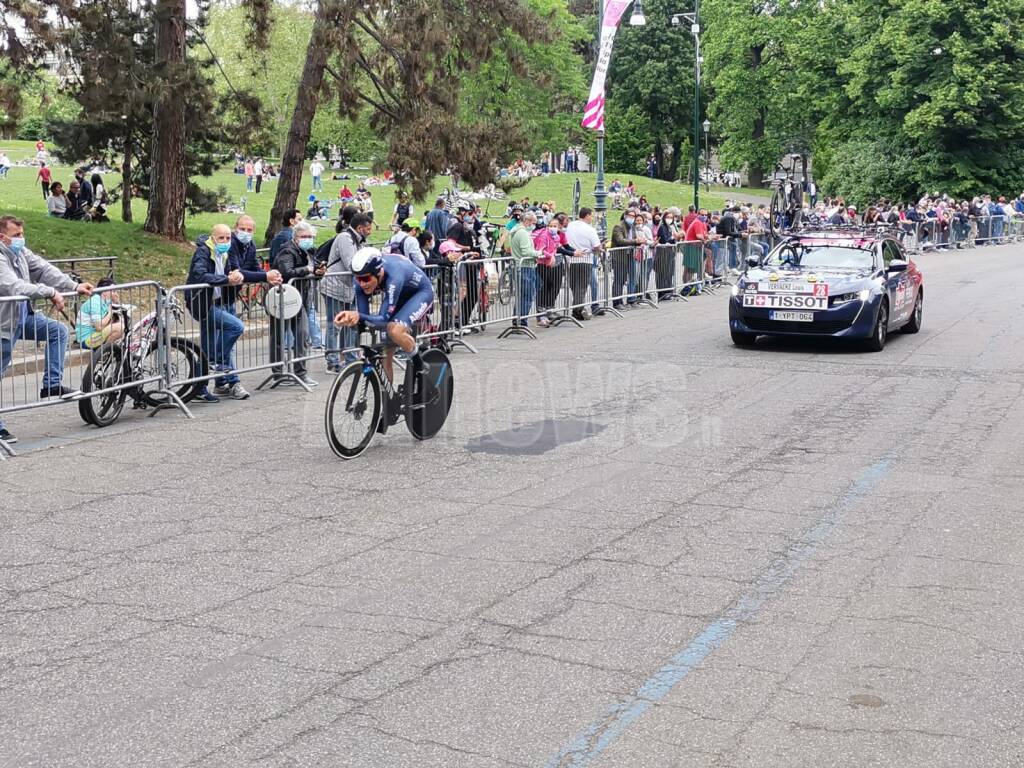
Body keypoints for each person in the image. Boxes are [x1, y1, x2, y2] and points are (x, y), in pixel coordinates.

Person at [0, 215, 94, 443]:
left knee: (57, 331)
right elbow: (14, 286)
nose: (22, 239)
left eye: (22, 234)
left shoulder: (20, 253)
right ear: (2, 238)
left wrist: (73, 286)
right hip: (3, 324)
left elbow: (44, 268)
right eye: (16, 235)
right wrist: (50, 292)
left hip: (23, 318)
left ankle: (51, 385)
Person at [333, 248, 435, 391]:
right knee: (384, 351)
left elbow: (383, 318)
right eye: (358, 279)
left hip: (420, 293)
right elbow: (364, 319)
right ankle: (388, 406)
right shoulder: (361, 281)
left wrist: (358, 316)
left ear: (379, 272)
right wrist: (353, 322)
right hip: (398, 296)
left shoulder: (394, 276)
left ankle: (420, 366)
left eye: (366, 279)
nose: (362, 284)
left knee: (395, 331)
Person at [186, 224, 254, 401]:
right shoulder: (203, 252)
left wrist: (236, 277)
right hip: (202, 304)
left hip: (218, 302)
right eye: (221, 238)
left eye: (228, 238)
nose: (225, 241)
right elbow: (200, 275)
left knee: (206, 350)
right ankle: (220, 362)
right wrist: (226, 279)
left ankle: (199, 389)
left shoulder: (225, 253)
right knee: (236, 326)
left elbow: (234, 271)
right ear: (213, 238)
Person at [269, 221, 323, 387]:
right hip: (283, 298)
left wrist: (318, 272)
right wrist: (307, 269)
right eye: (304, 236)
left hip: (300, 299)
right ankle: (278, 373)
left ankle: (301, 372)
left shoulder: (309, 251)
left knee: (302, 334)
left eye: (310, 236)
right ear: (296, 237)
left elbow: (312, 272)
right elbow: (287, 272)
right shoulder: (287, 250)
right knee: (278, 336)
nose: (308, 239)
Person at [322, 212, 372, 373]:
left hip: (349, 288)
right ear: (360, 228)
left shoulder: (357, 240)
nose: (370, 232)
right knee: (335, 325)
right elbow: (352, 263)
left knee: (352, 324)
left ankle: (351, 358)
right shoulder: (345, 238)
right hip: (335, 287)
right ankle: (332, 361)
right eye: (368, 229)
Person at [565, 207, 602, 320]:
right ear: (587, 216)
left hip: (571, 259)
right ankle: (578, 311)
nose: (591, 218)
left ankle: (577, 308)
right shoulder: (590, 229)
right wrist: (598, 250)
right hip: (585, 259)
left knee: (574, 285)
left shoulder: (571, 226)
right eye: (591, 215)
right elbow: (597, 246)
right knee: (581, 286)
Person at [75, 277, 124, 351]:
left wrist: (116, 302)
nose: (114, 293)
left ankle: (107, 351)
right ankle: (105, 352)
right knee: (119, 327)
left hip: (95, 335)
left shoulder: (105, 301)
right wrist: (110, 312)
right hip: (86, 339)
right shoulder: (95, 302)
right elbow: (99, 327)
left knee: (122, 324)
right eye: (112, 290)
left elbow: (116, 319)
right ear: (104, 291)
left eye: (115, 291)